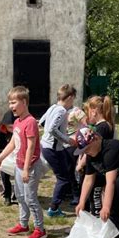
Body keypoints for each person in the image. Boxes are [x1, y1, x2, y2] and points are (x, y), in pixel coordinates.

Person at [0, 86, 47, 238]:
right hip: (18, 165)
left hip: (28, 167)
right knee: (21, 196)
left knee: (30, 198)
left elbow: (31, 146)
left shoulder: (30, 122)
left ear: (24, 102)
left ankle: (40, 229)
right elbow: (13, 144)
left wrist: (25, 169)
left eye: (14, 102)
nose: (11, 106)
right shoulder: (17, 122)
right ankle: (23, 224)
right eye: (10, 103)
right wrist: (0, 158)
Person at [40, 84, 78, 217]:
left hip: (49, 146)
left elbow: (42, 122)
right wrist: (67, 139)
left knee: (67, 171)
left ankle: (70, 196)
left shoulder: (52, 107)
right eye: (73, 99)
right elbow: (51, 129)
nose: (73, 102)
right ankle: (54, 209)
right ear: (70, 97)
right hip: (52, 149)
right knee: (63, 178)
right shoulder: (61, 111)